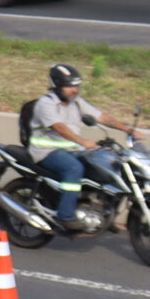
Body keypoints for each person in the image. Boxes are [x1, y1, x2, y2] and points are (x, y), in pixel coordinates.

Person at [25, 62, 130, 234]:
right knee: (74, 168)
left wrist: (126, 129)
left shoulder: (77, 103)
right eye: (69, 86)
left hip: (73, 150)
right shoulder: (46, 104)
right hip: (46, 152)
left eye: (77, 86)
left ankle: (103, 212)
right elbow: (59, 127)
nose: (74, 90)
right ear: (57, 86)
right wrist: (83, 141)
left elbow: (100, 116)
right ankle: (65, 216)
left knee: (104, 164)